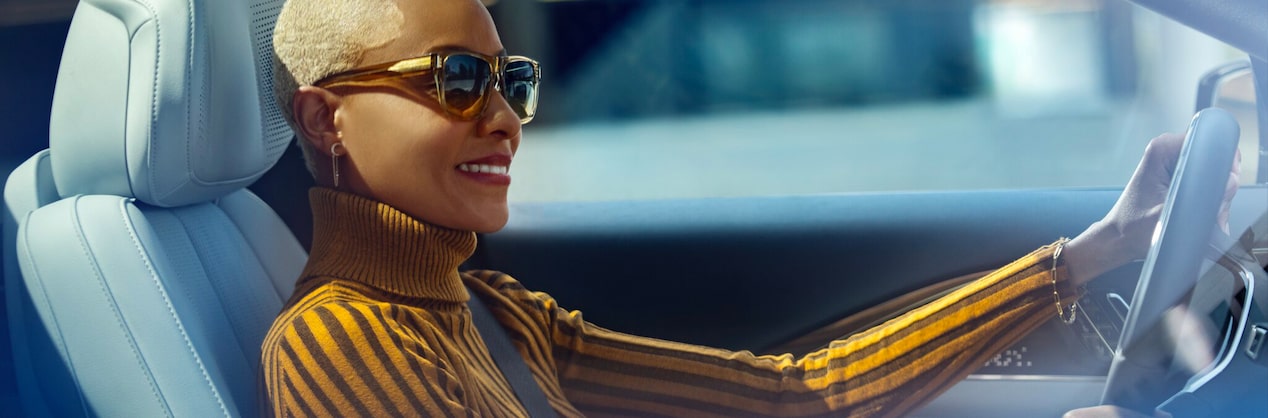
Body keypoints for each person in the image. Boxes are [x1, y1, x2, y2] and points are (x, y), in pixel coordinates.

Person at [259, 0, 1240, 416]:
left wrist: (1087, 253)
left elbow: (787, 394)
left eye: (512, 80)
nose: (504, 116)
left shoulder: (492, 309)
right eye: (457, 79)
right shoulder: (335, 344)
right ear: (325, 118)